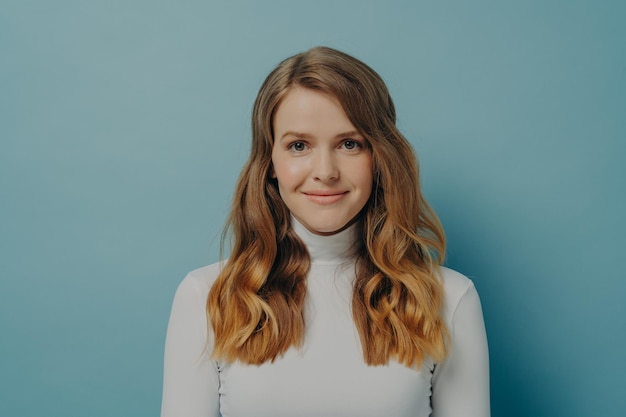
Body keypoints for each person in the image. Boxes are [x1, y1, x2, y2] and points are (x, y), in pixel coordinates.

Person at [161, 46, 490, 417]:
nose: (325, 171)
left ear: (380, 157)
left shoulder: (450, 299)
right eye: (299, 145)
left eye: (349, 144)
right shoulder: (205, 297)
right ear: (270, 161)